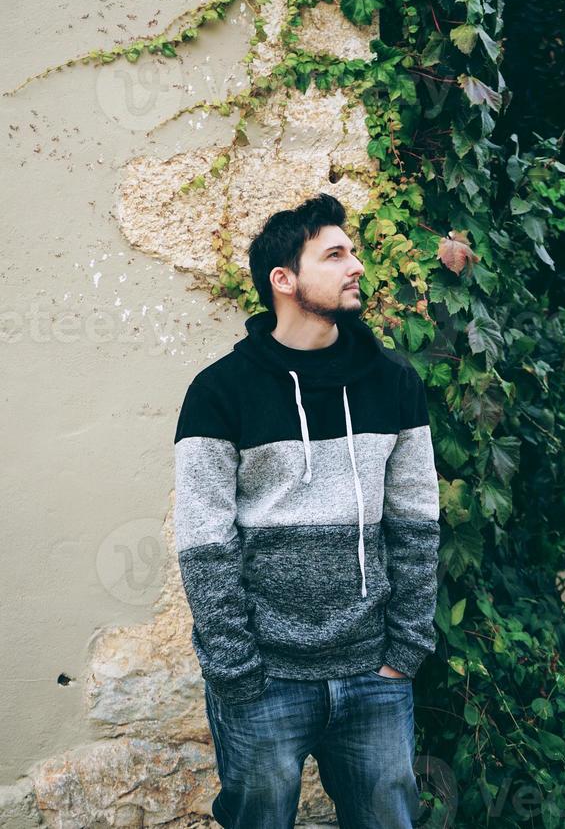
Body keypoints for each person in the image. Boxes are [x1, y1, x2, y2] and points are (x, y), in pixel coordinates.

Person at [173, 193, 441, 829]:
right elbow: (204, 543)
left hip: (375, 672)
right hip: (266, 679)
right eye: (336, 254)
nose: (357, 267)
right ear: (283, 280)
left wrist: (404, 649)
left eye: (354, 253)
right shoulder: (219, 392)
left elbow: (417, 524)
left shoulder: (393, 382)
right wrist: (238, 669)